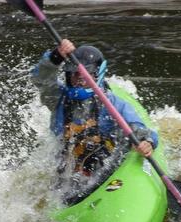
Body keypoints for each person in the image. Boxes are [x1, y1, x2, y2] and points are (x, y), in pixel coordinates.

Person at [31, 39, 158, 179]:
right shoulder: (57, 98)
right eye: (75, 74)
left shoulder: (113, 104)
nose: (79, 79)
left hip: (103, 164)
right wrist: (56, 56)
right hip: (66, 167)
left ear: (98, 74)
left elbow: (137, 127)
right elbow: (40, 79)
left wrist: (147, 141)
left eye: (85, 74)